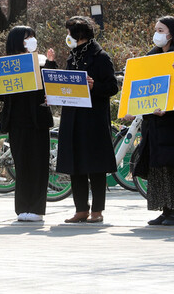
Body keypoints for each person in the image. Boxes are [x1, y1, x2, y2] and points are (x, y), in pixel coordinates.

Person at [0, 26, 56, 222]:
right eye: (27, 38)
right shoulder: (5, 65)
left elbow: (52, 86)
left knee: (39, 165)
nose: (31, 41)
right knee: (22, 166)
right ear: (17, 42)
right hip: (16, 122)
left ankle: (37, 209)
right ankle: (23, 208)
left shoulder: (40, 62)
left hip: (38, 121)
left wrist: (51, 63)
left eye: (33, 37)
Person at [57, 16, 118, 224]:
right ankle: (80, 209)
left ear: (79, 35)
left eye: (69, 33)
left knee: (96, 166)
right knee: (75, 165)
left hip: (92, 120)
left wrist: (95, 87)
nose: (67, 37)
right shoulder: (72, 56)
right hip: (72, 117)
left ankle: (97, 210)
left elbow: (112, 87)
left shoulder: (100, 57)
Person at [136, 16, 174, 226]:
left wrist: (170, 108)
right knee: (157, 166)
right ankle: (164, 209)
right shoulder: (151, 56)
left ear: (172, 33)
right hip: (154, 122)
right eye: (156, 29)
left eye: (161, 30)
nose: (157, 34)